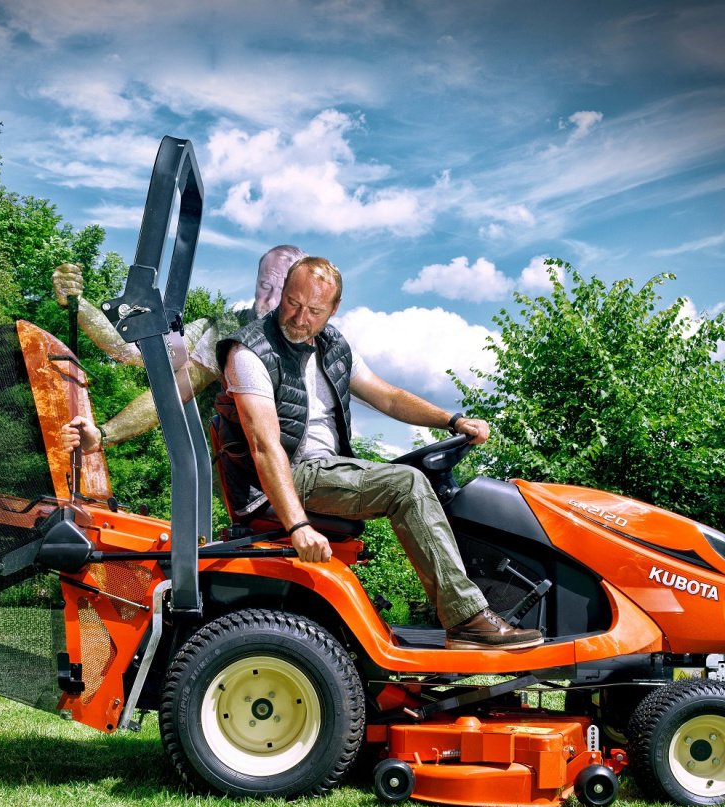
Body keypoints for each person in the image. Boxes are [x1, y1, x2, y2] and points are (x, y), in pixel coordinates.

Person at [215, 256, 542, 650]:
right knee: (406, 485)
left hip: (325, 470)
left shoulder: (333, 346)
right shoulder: (250, 352)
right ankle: (467, 617)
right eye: (292, 302)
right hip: (276, 480)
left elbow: (387, 397)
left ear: (333, 310)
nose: (300, 318)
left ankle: (467, 607)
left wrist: (453, 421)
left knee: (424, 483)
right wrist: (299, 526)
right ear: (282, 292)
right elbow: (264, 447)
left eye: (314, 310)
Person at [55, 245, 304, 453]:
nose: (270, 299)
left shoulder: (320, 340)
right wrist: (79, 304)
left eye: (282, 289)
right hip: (237, 474)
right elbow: (136, 351)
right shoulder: (226, 327)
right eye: (265, 285)